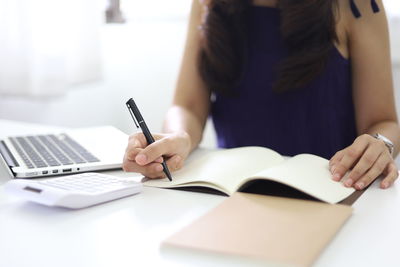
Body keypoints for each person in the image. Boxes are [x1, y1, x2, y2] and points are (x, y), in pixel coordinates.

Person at [123, 0, 400, 191]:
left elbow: (383, 121)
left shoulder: (356, 5)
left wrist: (381, 145)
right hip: (233, 193)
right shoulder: (208, 3)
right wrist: (177, 138)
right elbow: (188, 106)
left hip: (331, 191)